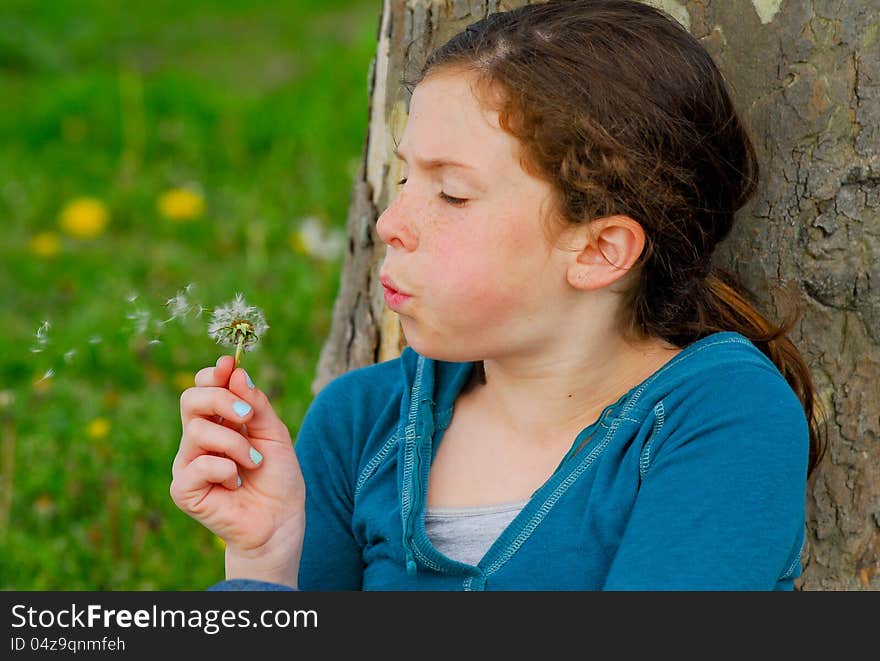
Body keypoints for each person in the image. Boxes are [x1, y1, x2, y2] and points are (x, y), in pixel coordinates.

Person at [170, 0, 826, 591]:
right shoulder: (358, 423)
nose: (389, 222)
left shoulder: (720, 420)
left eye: (452, 194)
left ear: (599, 250)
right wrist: (263, 560)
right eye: (403, 176)